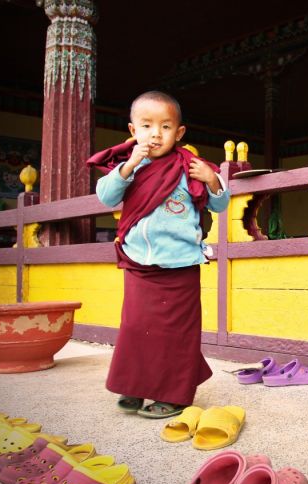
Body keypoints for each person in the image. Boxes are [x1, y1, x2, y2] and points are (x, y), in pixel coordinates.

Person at [90, 91, 230, 419]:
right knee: (136, 328)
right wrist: (129, 166)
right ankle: (136, 387)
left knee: (175, 335)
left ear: (179, 133)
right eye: (147, 126)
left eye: (166, 126)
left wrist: (213, 180)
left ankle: (175, 396)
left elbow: (220, 205)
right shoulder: (132, 168)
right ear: (133, 130)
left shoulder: (189, 166)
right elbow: (106, 197)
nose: (156, 134)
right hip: (139, 263)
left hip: (180, 266)